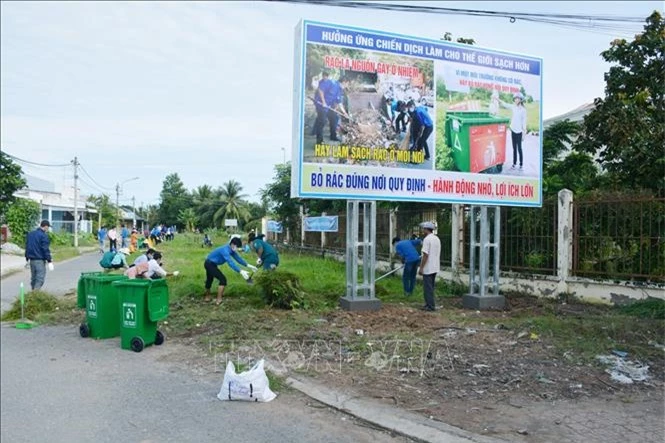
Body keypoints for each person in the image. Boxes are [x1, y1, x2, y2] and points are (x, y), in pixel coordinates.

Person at [203, 237, 258, 305]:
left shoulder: (232, 250)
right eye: (237, 247)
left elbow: (238, 259)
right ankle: (218, 300)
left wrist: (249, 266)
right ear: (232, 244)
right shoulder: (225, 250)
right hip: (209, 264)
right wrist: (240, 271)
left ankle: (207, 297)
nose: (237, 249)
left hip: (212, 264)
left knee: (209, 280)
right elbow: (230, 263)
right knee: (222, 280)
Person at [313, 71, 344, 144]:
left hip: (329, 106)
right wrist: (323, 102)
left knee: (334, 118)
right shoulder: (332, 83)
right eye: (347, 84)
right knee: (322, 121)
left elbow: (338, 102)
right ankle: (319, 141)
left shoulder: (339, 90)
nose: (346, 86)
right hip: (321, 105)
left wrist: (344, 113)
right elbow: (320, 90)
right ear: (344, 82)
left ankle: (333, 136)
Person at [418, 221, 441, 312]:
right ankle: (429, 304)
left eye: (423, 228)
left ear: (426, 229)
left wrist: (421, 267)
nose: (423, 230)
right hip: (435, 266)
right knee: (431, 287)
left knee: (427, 288)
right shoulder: (436, 238)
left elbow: (425, 255)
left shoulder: (427, 239)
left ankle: (430, 306)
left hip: (428, 267)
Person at [501, 92, 527, 170]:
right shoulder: (513, 107)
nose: (516, 100)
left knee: (519, 148)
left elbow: (524, 121)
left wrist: (524, 132)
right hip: (513, 130)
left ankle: (521, 164)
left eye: (518, 98)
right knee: (514, 148)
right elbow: (505, 104)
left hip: (519, 131)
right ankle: (514, 163)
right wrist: (498, 100)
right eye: (515, 98)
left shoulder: (523, 110)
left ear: (521, 100)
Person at [24, 220, 53, 291]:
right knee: (40, 278)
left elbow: (27, 246)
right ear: (45, 227)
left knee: (33, 278)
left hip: (31, 260)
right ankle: (35, 295)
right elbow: (45, 249)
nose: (48, 229)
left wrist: (27, 258)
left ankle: (32, 293)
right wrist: (49, 261)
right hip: (39, 260)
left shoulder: (30, 234)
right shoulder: (44, 236)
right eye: (48, 227)